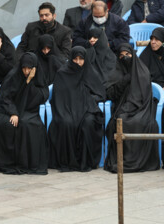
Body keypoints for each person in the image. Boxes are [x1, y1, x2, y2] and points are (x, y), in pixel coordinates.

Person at [48, 46, 105, 172]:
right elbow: (58, 96)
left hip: (86, 108)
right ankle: (68, 161)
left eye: (81, 59)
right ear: (71, 59)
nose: (78, 62)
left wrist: (87, 98)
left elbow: (100, 94)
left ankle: (86, 161)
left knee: (89, 123)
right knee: (66, 123)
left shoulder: (89, 72)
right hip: (66, 108)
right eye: (75, 59)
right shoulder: (62, 73)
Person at [0, 52, 49, 174]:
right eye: (24, 68)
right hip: (7, 109)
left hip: (29, 109)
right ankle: (9, 163)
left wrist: (29, 82)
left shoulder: (38, 76)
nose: (26, 71)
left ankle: (29, 164)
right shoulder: (13, 75)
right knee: (7, 125)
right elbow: (5, 97)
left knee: (32, 126)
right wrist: (13, 113)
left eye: (29, 68)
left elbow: (42, 96)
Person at [105, 43, 160, 173]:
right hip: (122, 107)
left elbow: (144, 96)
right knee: (121, 120)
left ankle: (137, 161)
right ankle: (123, 159)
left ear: (133, 55)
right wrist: (124, 81)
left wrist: (131, 107)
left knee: (145, 123)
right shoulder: (116, 72)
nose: (125, 58)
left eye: (128, 55)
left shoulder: (142, 72)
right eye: (121, 56)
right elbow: (111, 94)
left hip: (141, 108)